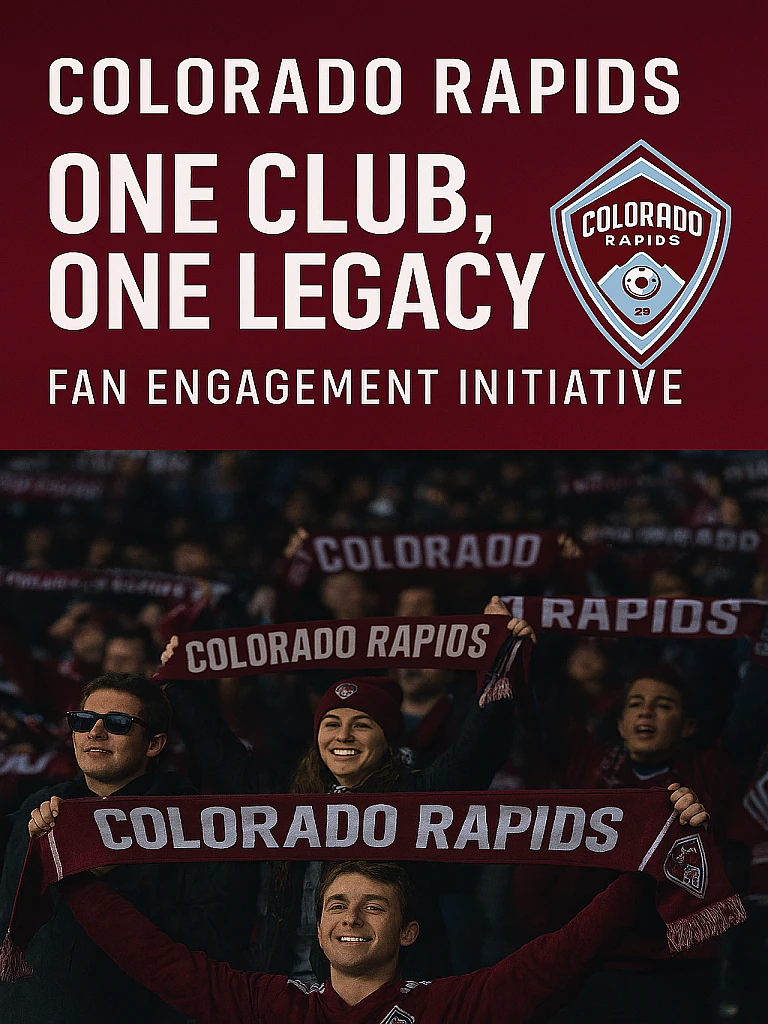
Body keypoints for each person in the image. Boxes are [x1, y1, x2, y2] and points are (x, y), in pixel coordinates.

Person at [54, 786, 709, 1024]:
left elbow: (559, 959)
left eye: (373, 906)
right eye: (338, 903)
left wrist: (649, 858)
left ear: (409, 930)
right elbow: (157, 962)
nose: (351, 917)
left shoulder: (449, 1006)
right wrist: (69, 869)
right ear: (319, 921)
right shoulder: (274, 1006)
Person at [159, 611, 533, 982]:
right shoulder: (286, 801)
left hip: (390, 999)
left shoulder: (415, 799)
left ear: (387, 742)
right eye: (332, 723)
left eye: (362, 725)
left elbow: (478, 751)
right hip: (288, 993)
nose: (343, 736)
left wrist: (498, 658)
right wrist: (178, 678)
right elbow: (220, 755)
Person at [0, 672, 253, 1024]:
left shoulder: (198, 821)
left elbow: (217, 944)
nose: (96, 732)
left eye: (118, 723)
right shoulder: (38, 807)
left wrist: (114, 876)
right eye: (83, 720)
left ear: (155, 744)